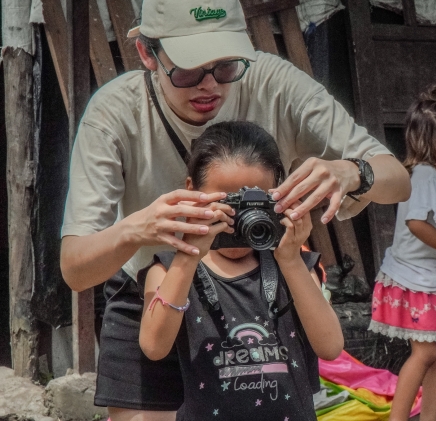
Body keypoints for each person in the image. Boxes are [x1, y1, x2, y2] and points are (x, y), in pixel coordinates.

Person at [59, 0, 409, 419]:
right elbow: (75, 270)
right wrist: (137, 229)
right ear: (147, 54)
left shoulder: (275, 83)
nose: (210, 86)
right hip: (155, 289)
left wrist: (352, 172)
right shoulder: (115, 112)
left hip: (259, 289)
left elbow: (398, 180)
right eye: (188, 70)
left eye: (226, 65)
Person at [138, 121, 342, 420]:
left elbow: (331, 346)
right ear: (192, 192)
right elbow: (154, 347)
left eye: (253, 204)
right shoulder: (171, 270)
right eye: (227, 202)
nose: (239, 218)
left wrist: (290, 259)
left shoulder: (293, 266)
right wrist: (188, 256)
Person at [368, 85, 436, 421]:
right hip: (414, 278)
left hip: (434, 277)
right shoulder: (424, 176)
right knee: (426, 351)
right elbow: (417, 223)